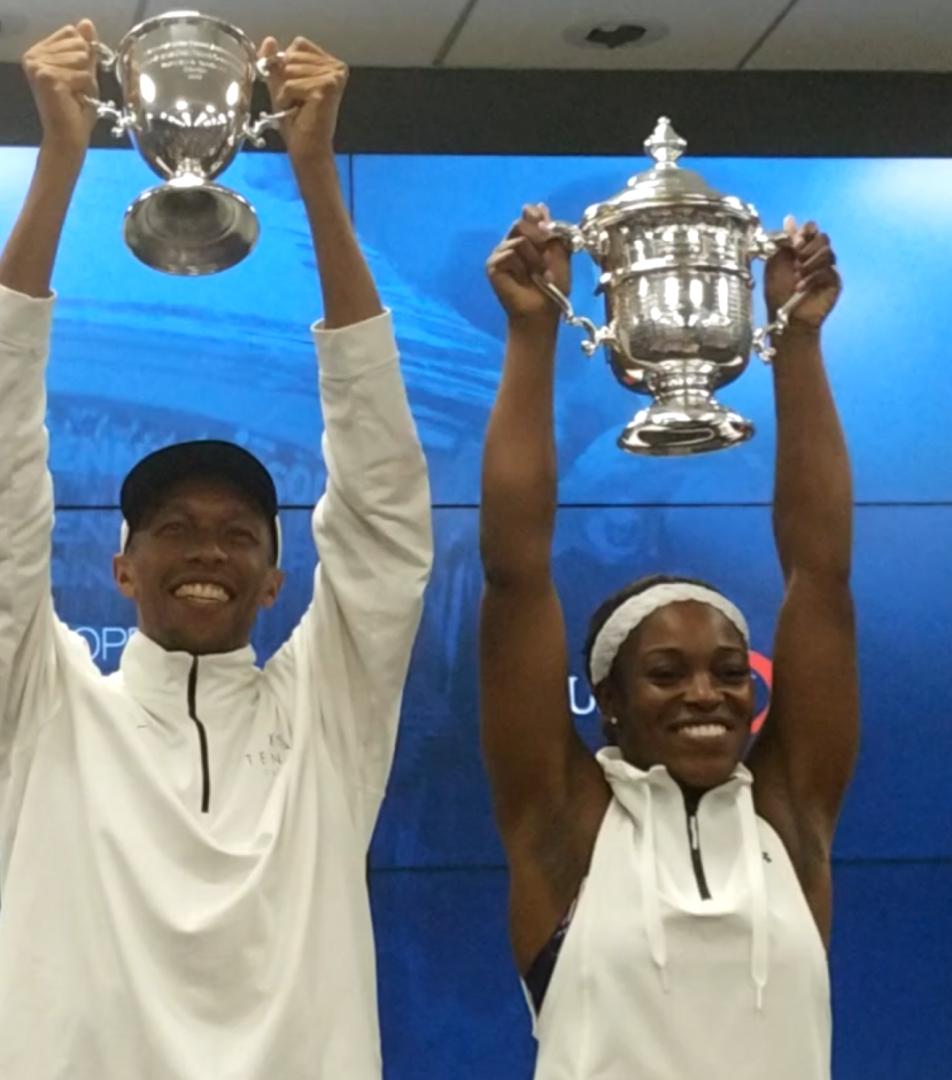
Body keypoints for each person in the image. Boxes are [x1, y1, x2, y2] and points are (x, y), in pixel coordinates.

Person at [0, 20, 432, 1080]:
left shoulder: (326, 716)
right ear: (122, 567)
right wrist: (57, 163)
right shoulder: (45, 707)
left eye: (240, 533)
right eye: (176, 530)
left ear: (275, 576)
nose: (211, 550)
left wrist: (318, 178)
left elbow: (381, 507)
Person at [479, 203, 857, 1079]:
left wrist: (796, 342)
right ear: (607, 702)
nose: (706, 693)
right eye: (665, 673)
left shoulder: (788, 815)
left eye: (731, 672)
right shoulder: (563, 825)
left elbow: (821, 577)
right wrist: (532, 337)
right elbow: (515, 576)